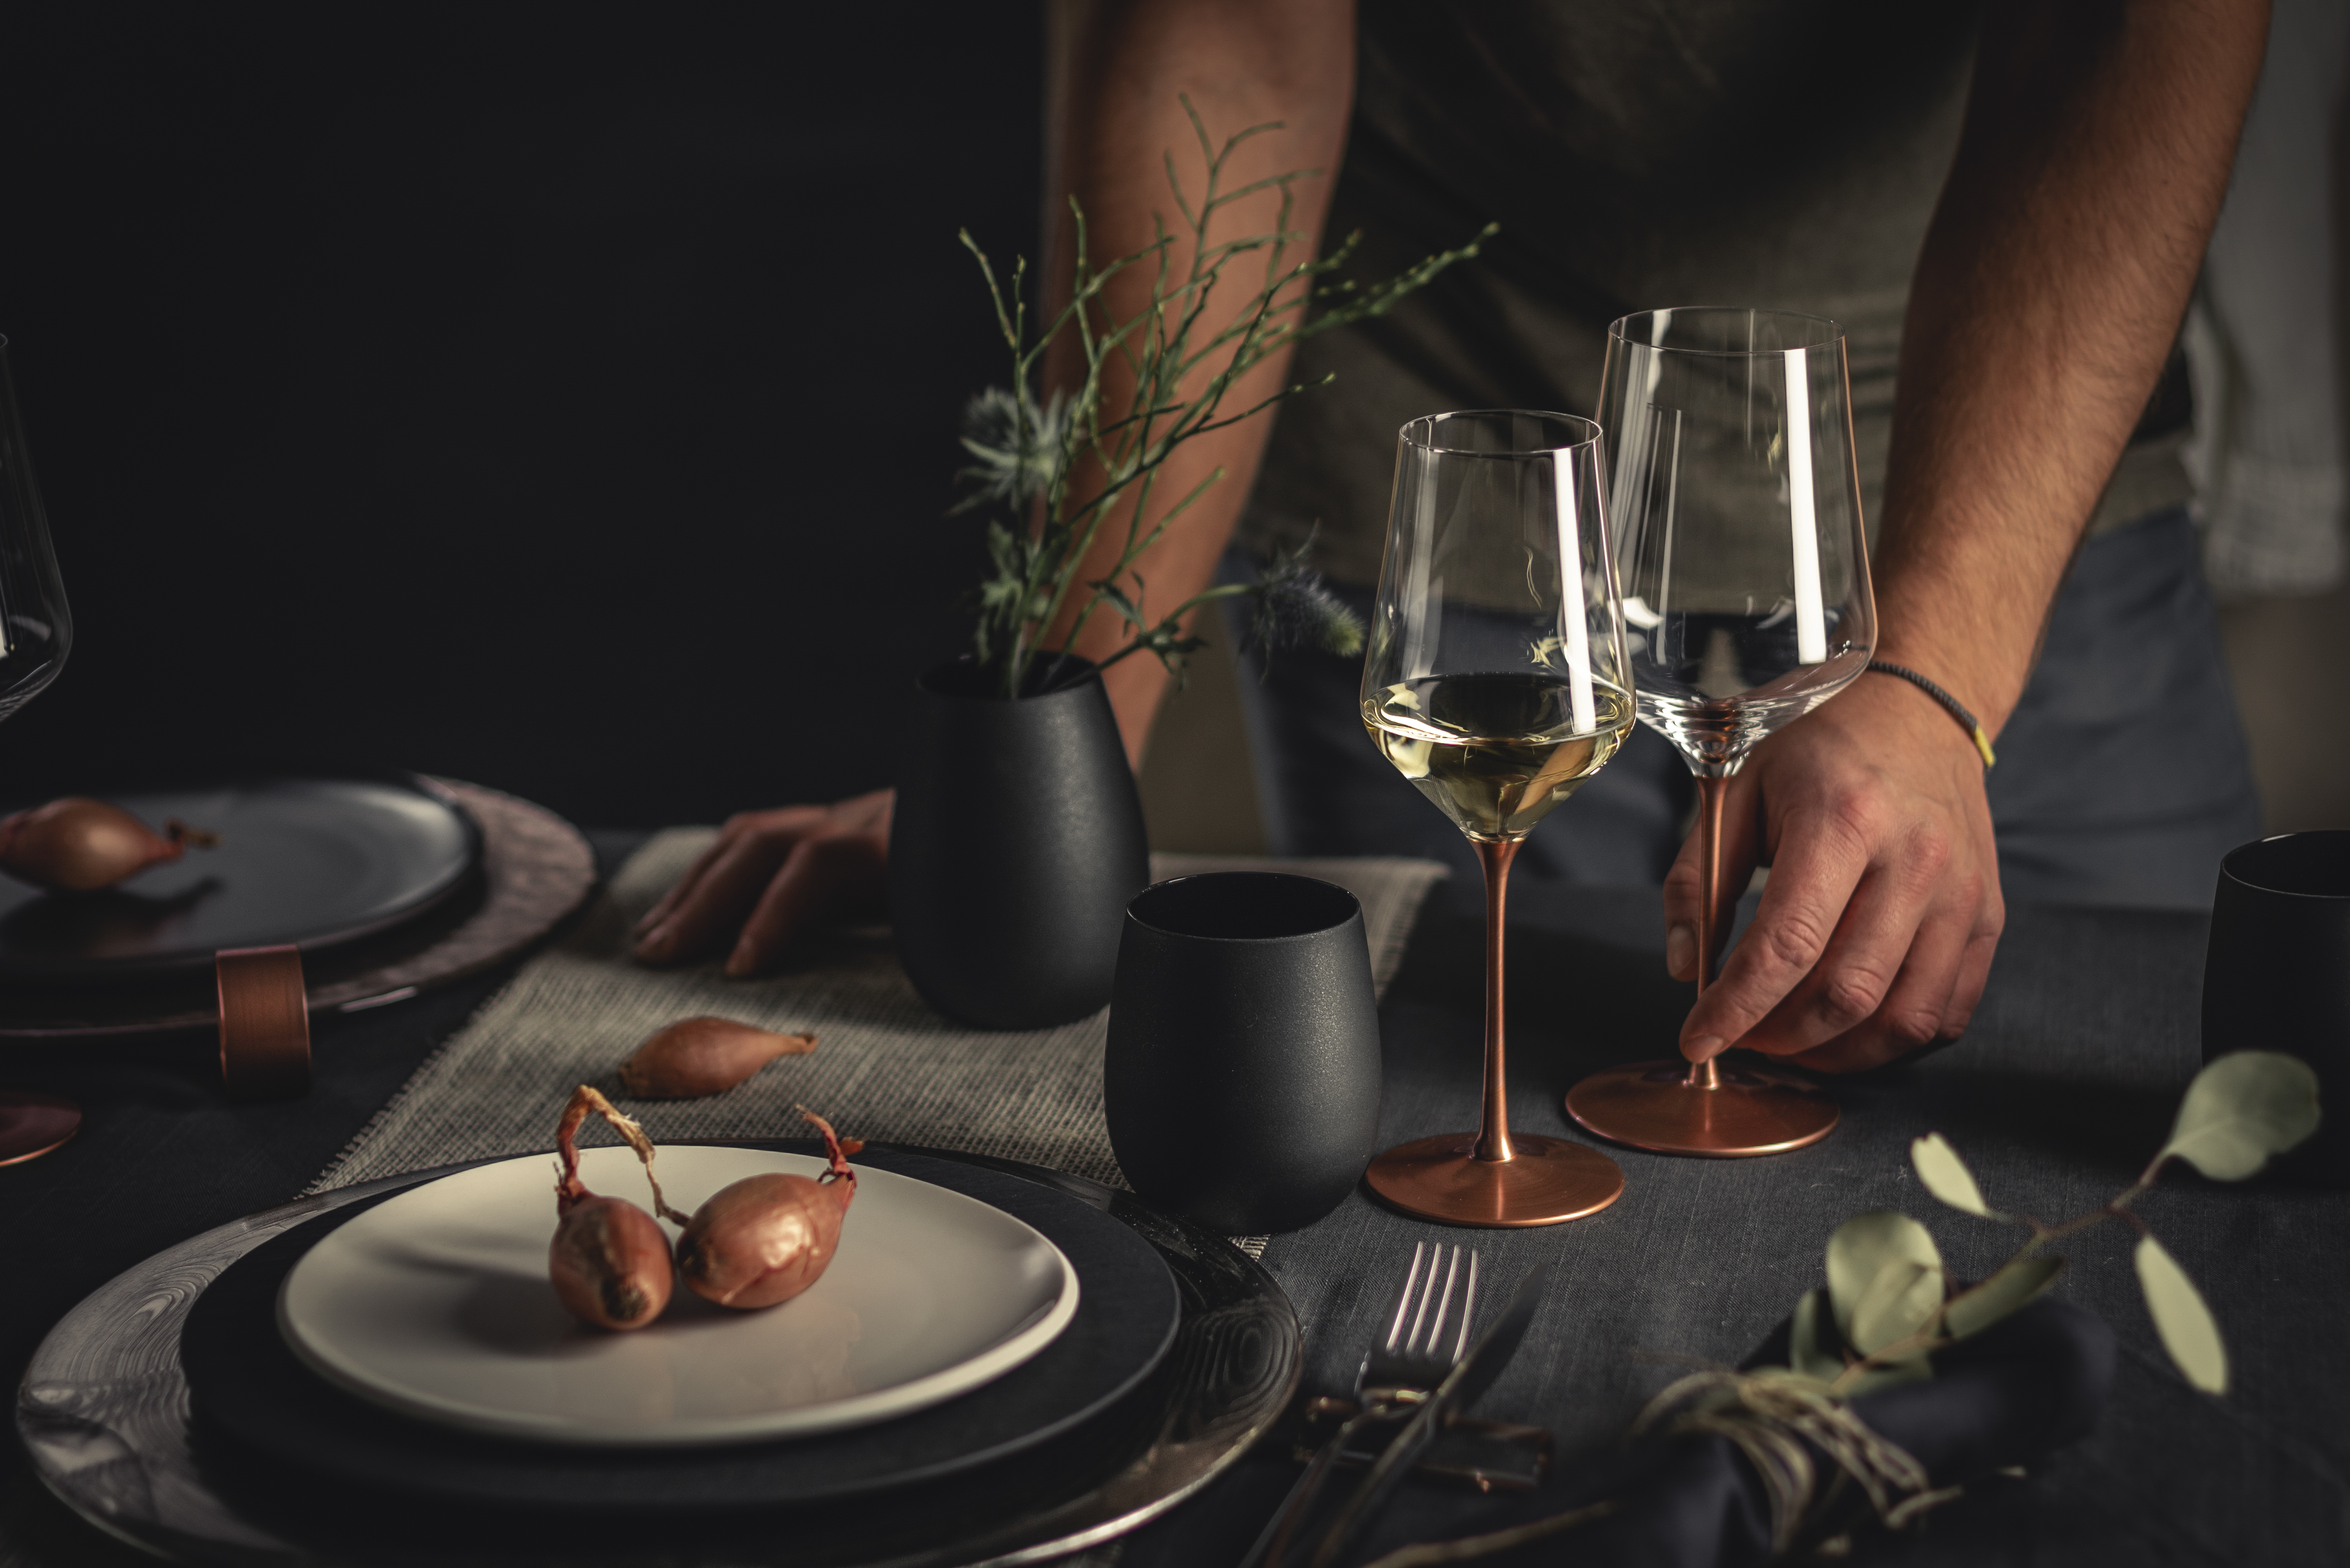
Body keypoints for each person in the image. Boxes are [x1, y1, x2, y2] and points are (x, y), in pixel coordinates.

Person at [633, 0, 2269, 1077]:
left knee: (2154, 1155)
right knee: (1454, 1150)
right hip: (1456, 514)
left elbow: (2127, 28)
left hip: (2000, 497)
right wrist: (1053, 762)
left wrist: (1936, 670)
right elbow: (1228, 36)